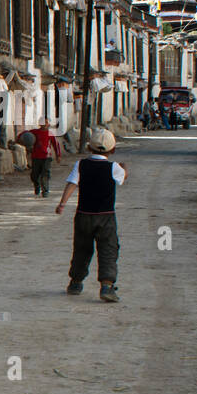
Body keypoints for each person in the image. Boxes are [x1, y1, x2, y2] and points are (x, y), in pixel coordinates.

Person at [55, 128, 126, 302]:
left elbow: (72, 183)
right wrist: (124, 169)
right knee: (108, 249)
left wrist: (62, 203)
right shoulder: (114, 168)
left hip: (83, 215)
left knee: (81, 248)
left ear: (89, 148)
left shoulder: (81, 165)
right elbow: (122, 178)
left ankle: (76, 282)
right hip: (106, 216)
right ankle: (107, 286)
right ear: (113, 150)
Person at [28, 118, 60, 197]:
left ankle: (45, 190)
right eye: (43, 123)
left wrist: (58, 155)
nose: (45, 124)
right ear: (40, 124)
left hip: (47, 157)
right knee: (34, 174)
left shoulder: (50, 134)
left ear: (49, 124)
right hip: (36, 156)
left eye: (46, 123)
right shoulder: (34, 132)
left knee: (45, 173)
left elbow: (56, 145)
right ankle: (37, 185)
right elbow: (25, 135)